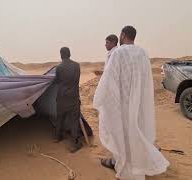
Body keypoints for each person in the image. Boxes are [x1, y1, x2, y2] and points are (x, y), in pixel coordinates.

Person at [93, 26, 170, 179]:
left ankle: (122, 162)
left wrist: (101, 99)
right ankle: (131, 160)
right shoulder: (143, 53)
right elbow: (146, 81)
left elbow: (110, 80)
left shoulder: (118, 53)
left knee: (122, 132)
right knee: (136, 130)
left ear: (122, 35)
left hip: (123, 102)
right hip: (139, 102)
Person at [54, 47, 83, 153]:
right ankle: (75, 144)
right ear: (70, 54)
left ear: (61, 55)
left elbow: (57, 81)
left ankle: (58, 137)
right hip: (73, 98)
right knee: (74, 121)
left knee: (60, 118)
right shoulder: (77, 66)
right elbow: (76, 80)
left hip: (62, 97)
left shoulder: (59, 67)